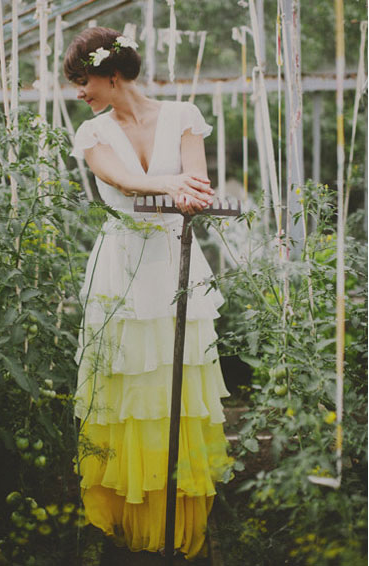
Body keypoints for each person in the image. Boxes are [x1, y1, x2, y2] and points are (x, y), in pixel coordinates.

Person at [64, 26, 232, 560]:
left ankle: (175, 513)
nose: (79, 92)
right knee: (124, 387)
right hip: (120, 267)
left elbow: (197, 182)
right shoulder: (92, 134)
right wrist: (170, 185)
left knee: (175, 379)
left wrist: (189, 192)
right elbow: (122, 181)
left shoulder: (183, 116)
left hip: (173, 260)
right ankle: (128, 514)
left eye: (82, 79)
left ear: (113, 75)